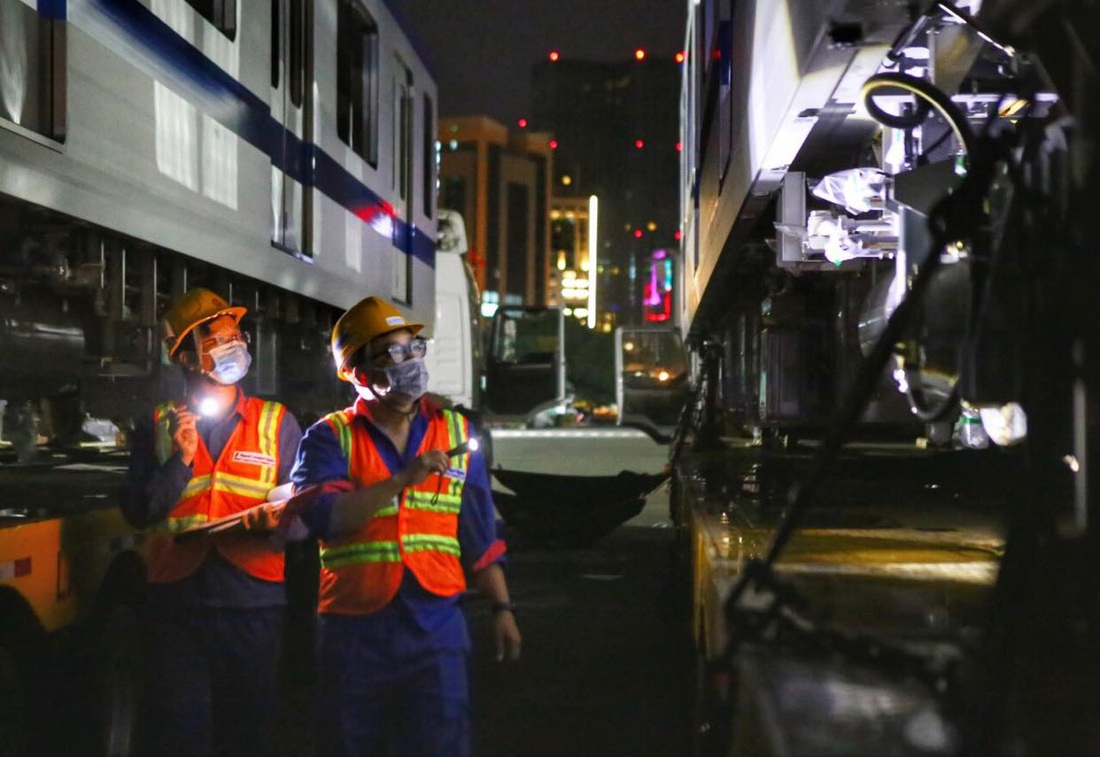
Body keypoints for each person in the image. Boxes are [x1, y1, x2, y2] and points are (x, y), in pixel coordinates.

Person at [289, 295, 521, 757]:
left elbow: (480, 538)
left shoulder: (454, 433)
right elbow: (328, 520)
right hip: (355, 632)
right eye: (394, 354)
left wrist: (502, 609)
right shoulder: (328, 438)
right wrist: (401, 480)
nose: (410, 362)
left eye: (414, 349)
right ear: (358, 373)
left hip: (435, 629)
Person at [123, 288, 302, 757]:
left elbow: (306, 518)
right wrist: (179, 462)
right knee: (180, 738)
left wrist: (274, 522)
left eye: (234, 333)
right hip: (176, 607)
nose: (233, 343)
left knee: (248, 736)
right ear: (185, 356)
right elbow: (140, 511)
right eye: (216, 336)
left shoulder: (277, 423)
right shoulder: (159, 425)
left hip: (253, 605)